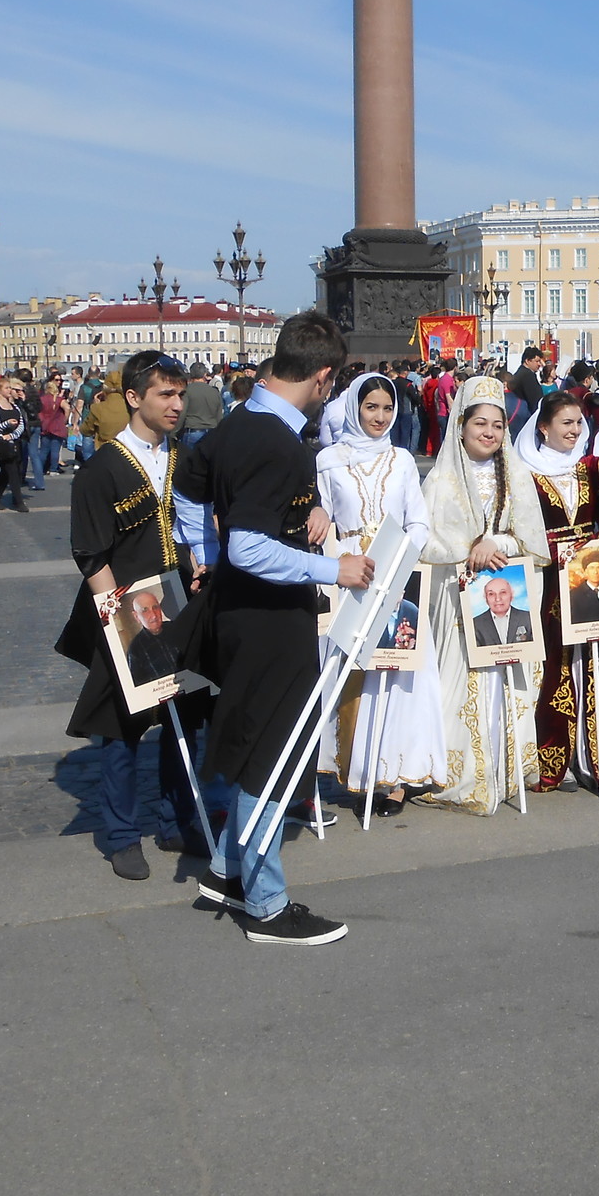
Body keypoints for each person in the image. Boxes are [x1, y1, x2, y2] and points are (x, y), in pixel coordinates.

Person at [179, 313, 362, 944]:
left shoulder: (238, 423)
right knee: (274, 756)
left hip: (248, 613)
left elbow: (190, 484)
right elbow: (250, 549)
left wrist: (199, 554)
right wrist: (332, 567)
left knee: (263, 742)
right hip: (267, 617)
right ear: (323, 376)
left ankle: (231, 869)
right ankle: (266, 904)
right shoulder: (276, 441)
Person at [56, 350, 201, 883]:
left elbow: (193, 528)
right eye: (165, 394)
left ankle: (175, 820)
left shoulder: (185, 458)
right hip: (122, 607)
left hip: (178, 604)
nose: (176, 404)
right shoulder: (102, 469)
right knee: (123, 726)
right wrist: (119, 615)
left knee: (182, 716)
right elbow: (90, 552)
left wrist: (197, 568)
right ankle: (121, 834)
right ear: (134, 397)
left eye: (181, 394)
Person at [315, 371, 445, 816]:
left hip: (393, 572)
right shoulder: (329, 460)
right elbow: (325, 514)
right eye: (371, 407)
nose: (380, 416)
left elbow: (419, 521)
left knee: (395, 672)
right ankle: (359, 771)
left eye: (388, 408)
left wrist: (399, 559)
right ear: (354, 407)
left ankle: (393, 777)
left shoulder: (403, 460)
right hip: (350, 575)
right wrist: (317, 512)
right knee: (353, 672)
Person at [420, 374, 549, 813]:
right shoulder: (438, 482)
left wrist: (499, 544)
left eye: (497, 425)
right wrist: (466, 552)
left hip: (504, 590)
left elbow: (532, 538)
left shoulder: (517, 478)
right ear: (461, 426)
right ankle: (463, 775)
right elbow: (422, 538)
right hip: (455, 597)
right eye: (480, 424)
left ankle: (505, 770)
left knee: (504, 683)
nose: (489, 433)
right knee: (460, 684)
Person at [517, 389, 599, 793]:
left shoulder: (588, 467)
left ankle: (598, 759)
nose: (575, 430)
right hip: (552, 584)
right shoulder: (527, 474)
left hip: (592, 577)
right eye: (566, 423)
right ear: (543, 427)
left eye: (579, 422)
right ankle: (556, 756)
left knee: (595, 666)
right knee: (557, 667)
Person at [0, 376, 29, 512]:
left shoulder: (14, 406)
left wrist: (13, 435)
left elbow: (21, 424)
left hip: (15, 442)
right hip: (2, 444)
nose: (9, 390)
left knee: (8, 472)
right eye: (7, 388)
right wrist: (6, 426)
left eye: (10, 388)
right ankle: (18, 502)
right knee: (12, 471)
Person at [122, 589, 180, 684]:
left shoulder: (177, 628)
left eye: (155, 607)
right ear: (136, 616)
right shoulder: (135, 650)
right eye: (145, 610)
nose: (153, 615)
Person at [472, 575, 533, 646]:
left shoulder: (528, 618)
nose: (497, 599)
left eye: (503, 592)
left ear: (511, 595)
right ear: (485, 598)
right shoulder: (475, 624)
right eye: (491, 594)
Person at [181, 361, 225, 449]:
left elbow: (182, 414)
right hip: (211, 432)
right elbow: (219, 415)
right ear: (205, 374)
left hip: (192, 431)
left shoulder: (186, 391)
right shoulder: (214, 392)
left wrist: (174, 433)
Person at [37, 378, 70, 476]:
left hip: (45, 426)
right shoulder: (59, 400)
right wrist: (65, 419)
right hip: (57, 426)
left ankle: (40, 469)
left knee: (43, 450)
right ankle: (53, 469)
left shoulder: (42, 399)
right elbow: (67, 407)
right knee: (55, 450)